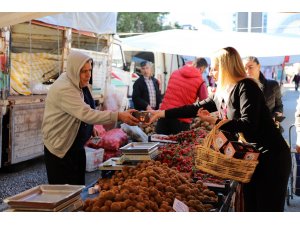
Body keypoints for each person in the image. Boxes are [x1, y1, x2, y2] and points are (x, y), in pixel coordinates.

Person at [149, 47, 291, 212]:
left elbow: (248, 124)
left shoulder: (246, 87)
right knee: (252, 208)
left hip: (271, 157)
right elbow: (193, 108)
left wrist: (216, 120)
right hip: (251, 159)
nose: (210, 73)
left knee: (268, 209)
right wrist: (161, 113)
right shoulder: (221, 92)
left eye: (214, 68)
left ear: (225, 67)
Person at [42, 50, 139, 185]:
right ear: (74, 70)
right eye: (84, 71)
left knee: (78, 188)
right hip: (61, 149)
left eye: (90, 70)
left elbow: (88, 106)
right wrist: (118, 115)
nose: (88, 75)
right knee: (63, 193)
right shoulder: (64, 88)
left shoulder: (78, 82)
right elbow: (86, 113)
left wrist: (89, 126)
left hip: (76, 147)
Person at [156, 58, 208, 135]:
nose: (202, 73)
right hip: (181, 121)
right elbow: (205, 103)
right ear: (201, 68)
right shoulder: (200, 81)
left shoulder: (175, 73)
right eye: (203, 71)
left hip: (163, 116)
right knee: (178, 146)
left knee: (159, 144)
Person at [243, 56, 284, 131]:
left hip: (271, 130)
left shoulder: (272, 85)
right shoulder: (242, 88)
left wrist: (275, 118)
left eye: (250, 67)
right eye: (245, 68)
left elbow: (279, 106)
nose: (247, 71)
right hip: (251, 133)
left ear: (258, 66)